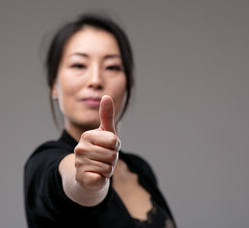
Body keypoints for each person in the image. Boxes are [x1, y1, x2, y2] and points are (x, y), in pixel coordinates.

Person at [24, 13, 176, 228]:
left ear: (129, 85)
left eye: (112, 67)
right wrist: (84, 180)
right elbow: (73, 180)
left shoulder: (140, 169)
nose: (95, 80)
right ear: (53, 84)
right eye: (78, 65)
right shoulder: (43, 163)